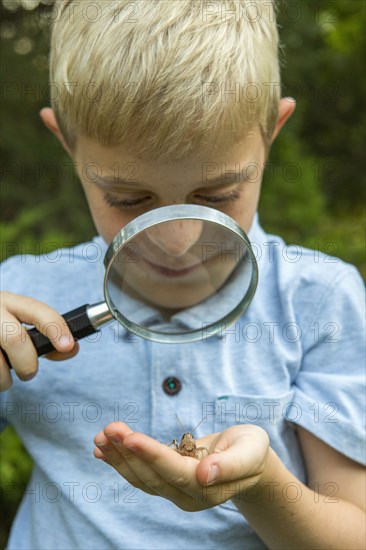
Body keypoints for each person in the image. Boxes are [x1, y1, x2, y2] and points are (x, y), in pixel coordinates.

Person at [1, 1, 365, 548]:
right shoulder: (19, 295)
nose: (177, 242)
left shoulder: (318, 302)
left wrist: (260, 483)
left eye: (217, 196)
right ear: (67, 145)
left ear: (271, 133)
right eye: (128, 199)